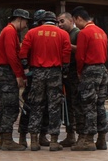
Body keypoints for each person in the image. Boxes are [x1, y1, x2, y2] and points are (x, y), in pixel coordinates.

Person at [18, 11, 71, 151]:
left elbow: (23, 53)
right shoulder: (63, 34)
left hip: (37, 73)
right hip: (55, 73)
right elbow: (66, 55)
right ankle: (54, 140)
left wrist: (26, 70)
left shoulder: (32, 33)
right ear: (55, 21)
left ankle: (34, 140)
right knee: (54, 106)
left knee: (36, 105)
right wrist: (64, 73)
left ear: (42, 21)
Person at [71, 7, 108, 151]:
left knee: (87, 105)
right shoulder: (101, 32)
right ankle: (102, 138)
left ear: (79, 18)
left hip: (90, 70)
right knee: (100, 105)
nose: (76, 25)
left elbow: (80, 55)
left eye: (75, 21)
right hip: (102, 70)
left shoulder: (84, 33)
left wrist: (80, 72)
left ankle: (88, 139)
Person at [0, 8, 31, 150]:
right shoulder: (10, 32)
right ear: (19, 19)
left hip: (4, 72)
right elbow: (12, 55)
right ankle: (7, 139)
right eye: (25, 22)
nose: (26, 25)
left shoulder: (8, 31)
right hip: (7, 72)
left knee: (5, 105)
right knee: (10, 105)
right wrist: (18, 75)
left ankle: (4, 139)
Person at [57, 11, 81, 147]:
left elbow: (81, 49)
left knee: (75, 104)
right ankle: (70, 134)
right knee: (67, 105)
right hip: (65, 74)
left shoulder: (77, 34)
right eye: (58, 22)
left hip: (74, 74)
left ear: (71, 20)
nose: (59, 24)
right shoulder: (64, 35)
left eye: (62, 21)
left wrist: (66, 45)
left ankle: (80, 135)